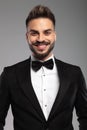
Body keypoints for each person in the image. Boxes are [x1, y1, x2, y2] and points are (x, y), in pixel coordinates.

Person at [0, 5, 87, 130]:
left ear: (54, 35)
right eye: (34, 33)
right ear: (27, 37)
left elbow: (85, 117)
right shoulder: (9, 75)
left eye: (47, 32)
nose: (41, 39)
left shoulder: (74, 73)